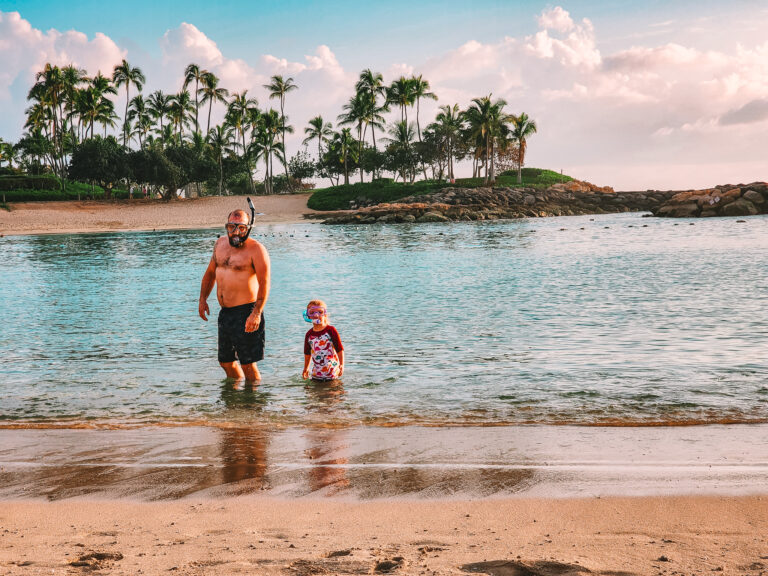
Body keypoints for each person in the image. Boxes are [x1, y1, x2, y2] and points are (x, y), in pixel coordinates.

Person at [198, 209, 270, 382]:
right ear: (226, 226)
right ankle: (235, 403)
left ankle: (253, 403)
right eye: (231, 227)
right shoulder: (220, 244)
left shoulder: (256, 249)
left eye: (241, 228)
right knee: (226, 362)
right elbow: (210, 273)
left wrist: (256, 313)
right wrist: (202, 299)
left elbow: (264, 283)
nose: (235, 232)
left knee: (248, 363)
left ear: (248, 228)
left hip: (247, 312)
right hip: (226, 314)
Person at [302, 300, 344, 381]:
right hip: (316, 374)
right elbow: (307, 353)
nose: (316, 315)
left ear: (325, 314)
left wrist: (341, 364)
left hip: (332, 373)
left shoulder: (331, 330)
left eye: (320, 312)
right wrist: (305, 368)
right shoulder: (309, 334)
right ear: (307, 316)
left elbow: (339, 349)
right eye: (312, 312)